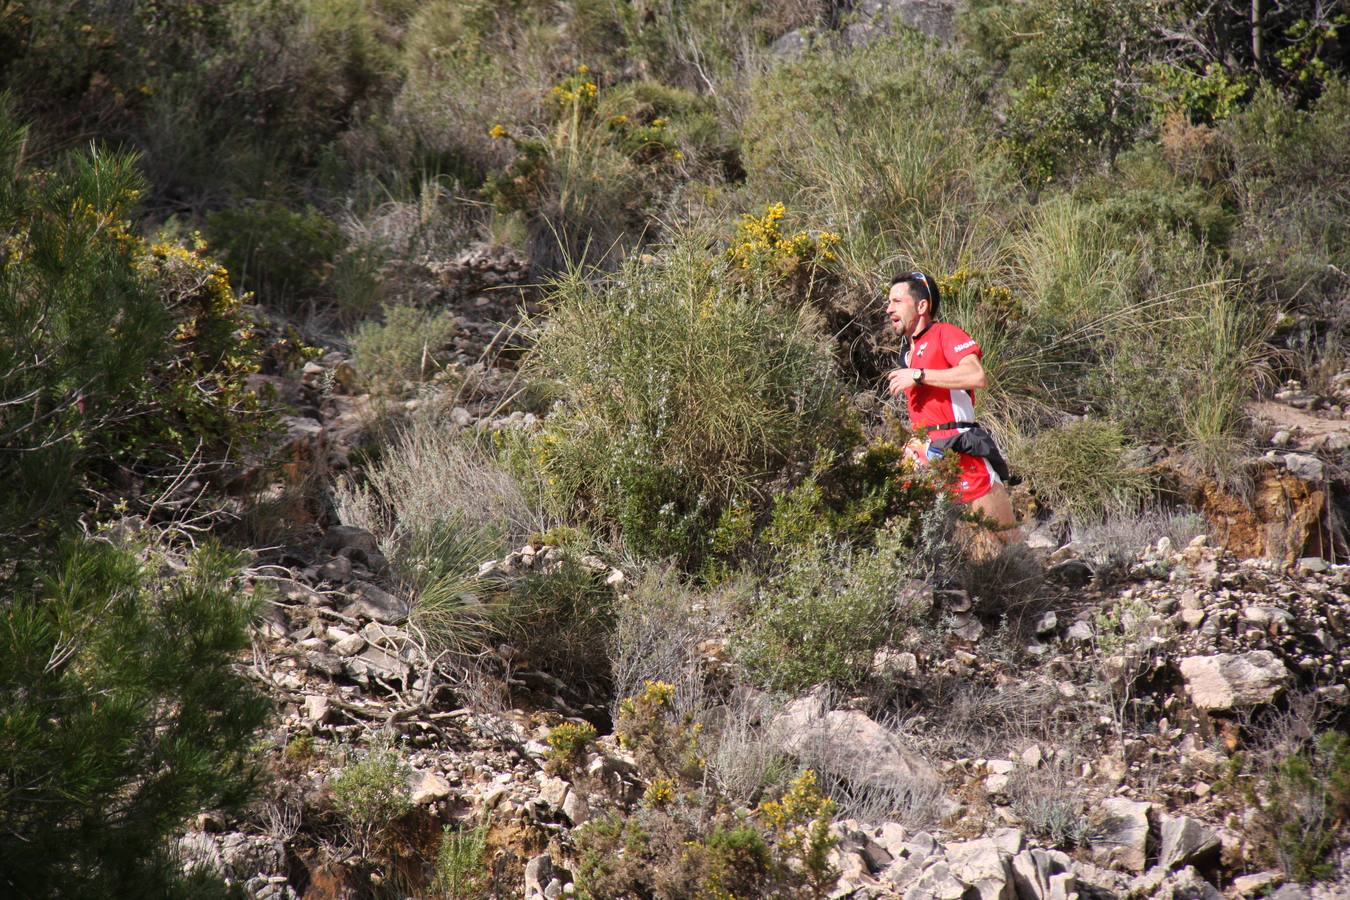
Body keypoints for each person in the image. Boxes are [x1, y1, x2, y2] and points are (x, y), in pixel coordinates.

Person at [884, 271, 1019, 544]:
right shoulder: (908, 353)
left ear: (922, 306)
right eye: (889, 302)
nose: (889, 309)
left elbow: (976, 376)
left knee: (1003, 544)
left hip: (959, 446)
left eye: (897, 301)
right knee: (908, 539)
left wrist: (919, 375)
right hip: (921, 449)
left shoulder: (945, 333)